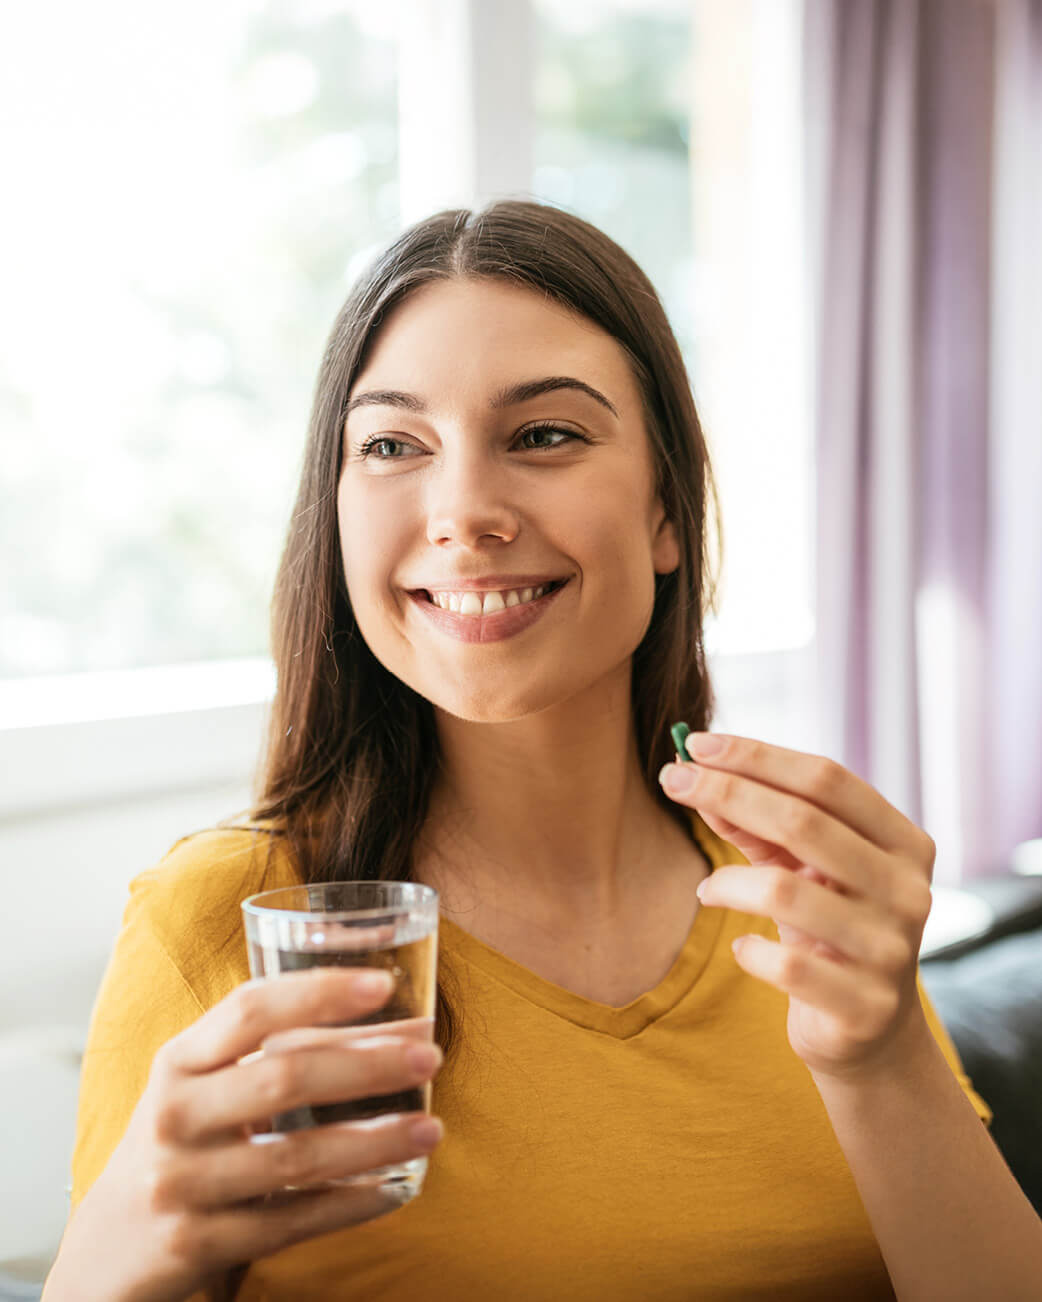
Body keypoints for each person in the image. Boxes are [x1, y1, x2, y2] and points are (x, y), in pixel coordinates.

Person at [44, 199, 1010, 1302]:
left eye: (544, 435)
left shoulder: (796, 895)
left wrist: (878, 1060)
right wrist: (123, 1248)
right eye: (393, 445)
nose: (463, 511)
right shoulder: (218, 919)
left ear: (665, 513)